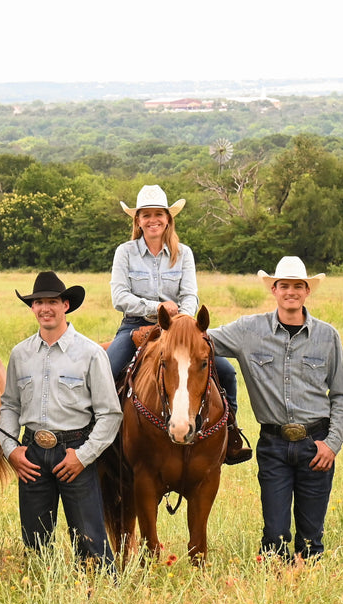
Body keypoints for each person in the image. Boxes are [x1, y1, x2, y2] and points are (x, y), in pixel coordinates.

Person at [207, 257, 343, 561]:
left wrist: (333, 443)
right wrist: (162, 327)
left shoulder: (327, 336)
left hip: (317, 444)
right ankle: (275, 588)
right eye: (284, 285)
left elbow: (341, 396)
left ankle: (307, 591)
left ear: (307, 291)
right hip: (273, 444)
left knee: (312, 539)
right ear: (273, 289)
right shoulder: (248, 330)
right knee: (274, 536)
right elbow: (200, 340)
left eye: (298, 286)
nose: (291, 292)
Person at [107, 185, 251, 464]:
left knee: (226, 372)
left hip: (180, 328)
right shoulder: (125, 252)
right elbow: (119, 296)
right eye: (146, 215)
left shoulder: (183, 253)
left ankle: (230, 434)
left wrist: (180, 323)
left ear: (168, 218)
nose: (152, 220)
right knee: (106, 371)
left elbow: (190, 295)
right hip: (135, 325)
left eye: (158, 214)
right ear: (137, 220)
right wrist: (156, 308)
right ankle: (100, 440)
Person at [0, 272, 121, 568]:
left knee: (90, 538)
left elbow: (109, 414)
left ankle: (102, 596)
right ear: (32, 308)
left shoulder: (90, 353)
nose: (45, 308)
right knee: (35, 540)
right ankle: (44, 594)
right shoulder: (20, 354)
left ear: (66, 304)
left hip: (74, 450)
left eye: (52, 301)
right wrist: (11, 450)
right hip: (31, 452)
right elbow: (9, 406)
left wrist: (84, 456)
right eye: (39, 302)